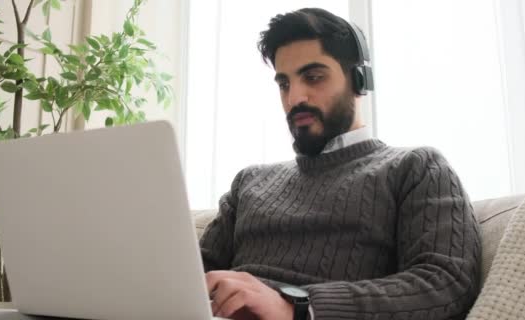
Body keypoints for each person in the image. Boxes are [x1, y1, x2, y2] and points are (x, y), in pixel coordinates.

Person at [200, 7, 481, 320]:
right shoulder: (249, 181)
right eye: (284, 84)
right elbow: (189, 274)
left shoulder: (416, 167)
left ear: (358, 81)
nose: (295, 99)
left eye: (313, 77)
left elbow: (445, 283)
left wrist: (297, 307)